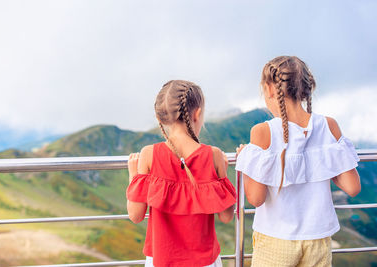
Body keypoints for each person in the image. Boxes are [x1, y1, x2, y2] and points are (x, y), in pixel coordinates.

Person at [235, 56, 361, 267]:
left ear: (269, 89)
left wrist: (247, 159)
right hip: (318, 239)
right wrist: (322, 165)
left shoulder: (262, 132)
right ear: (305, 88)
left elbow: (255, 199)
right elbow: (352, 187)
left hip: (276, 239)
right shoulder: (328, 125)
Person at [126, 80, 236, 267]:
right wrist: (222, 173)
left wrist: (133, 175)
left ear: (160, 117)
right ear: (197, 113)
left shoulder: (148, 154)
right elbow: (226, 217)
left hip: (161, 260)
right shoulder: (214, 155)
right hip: (204, 261)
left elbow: (135, 216)